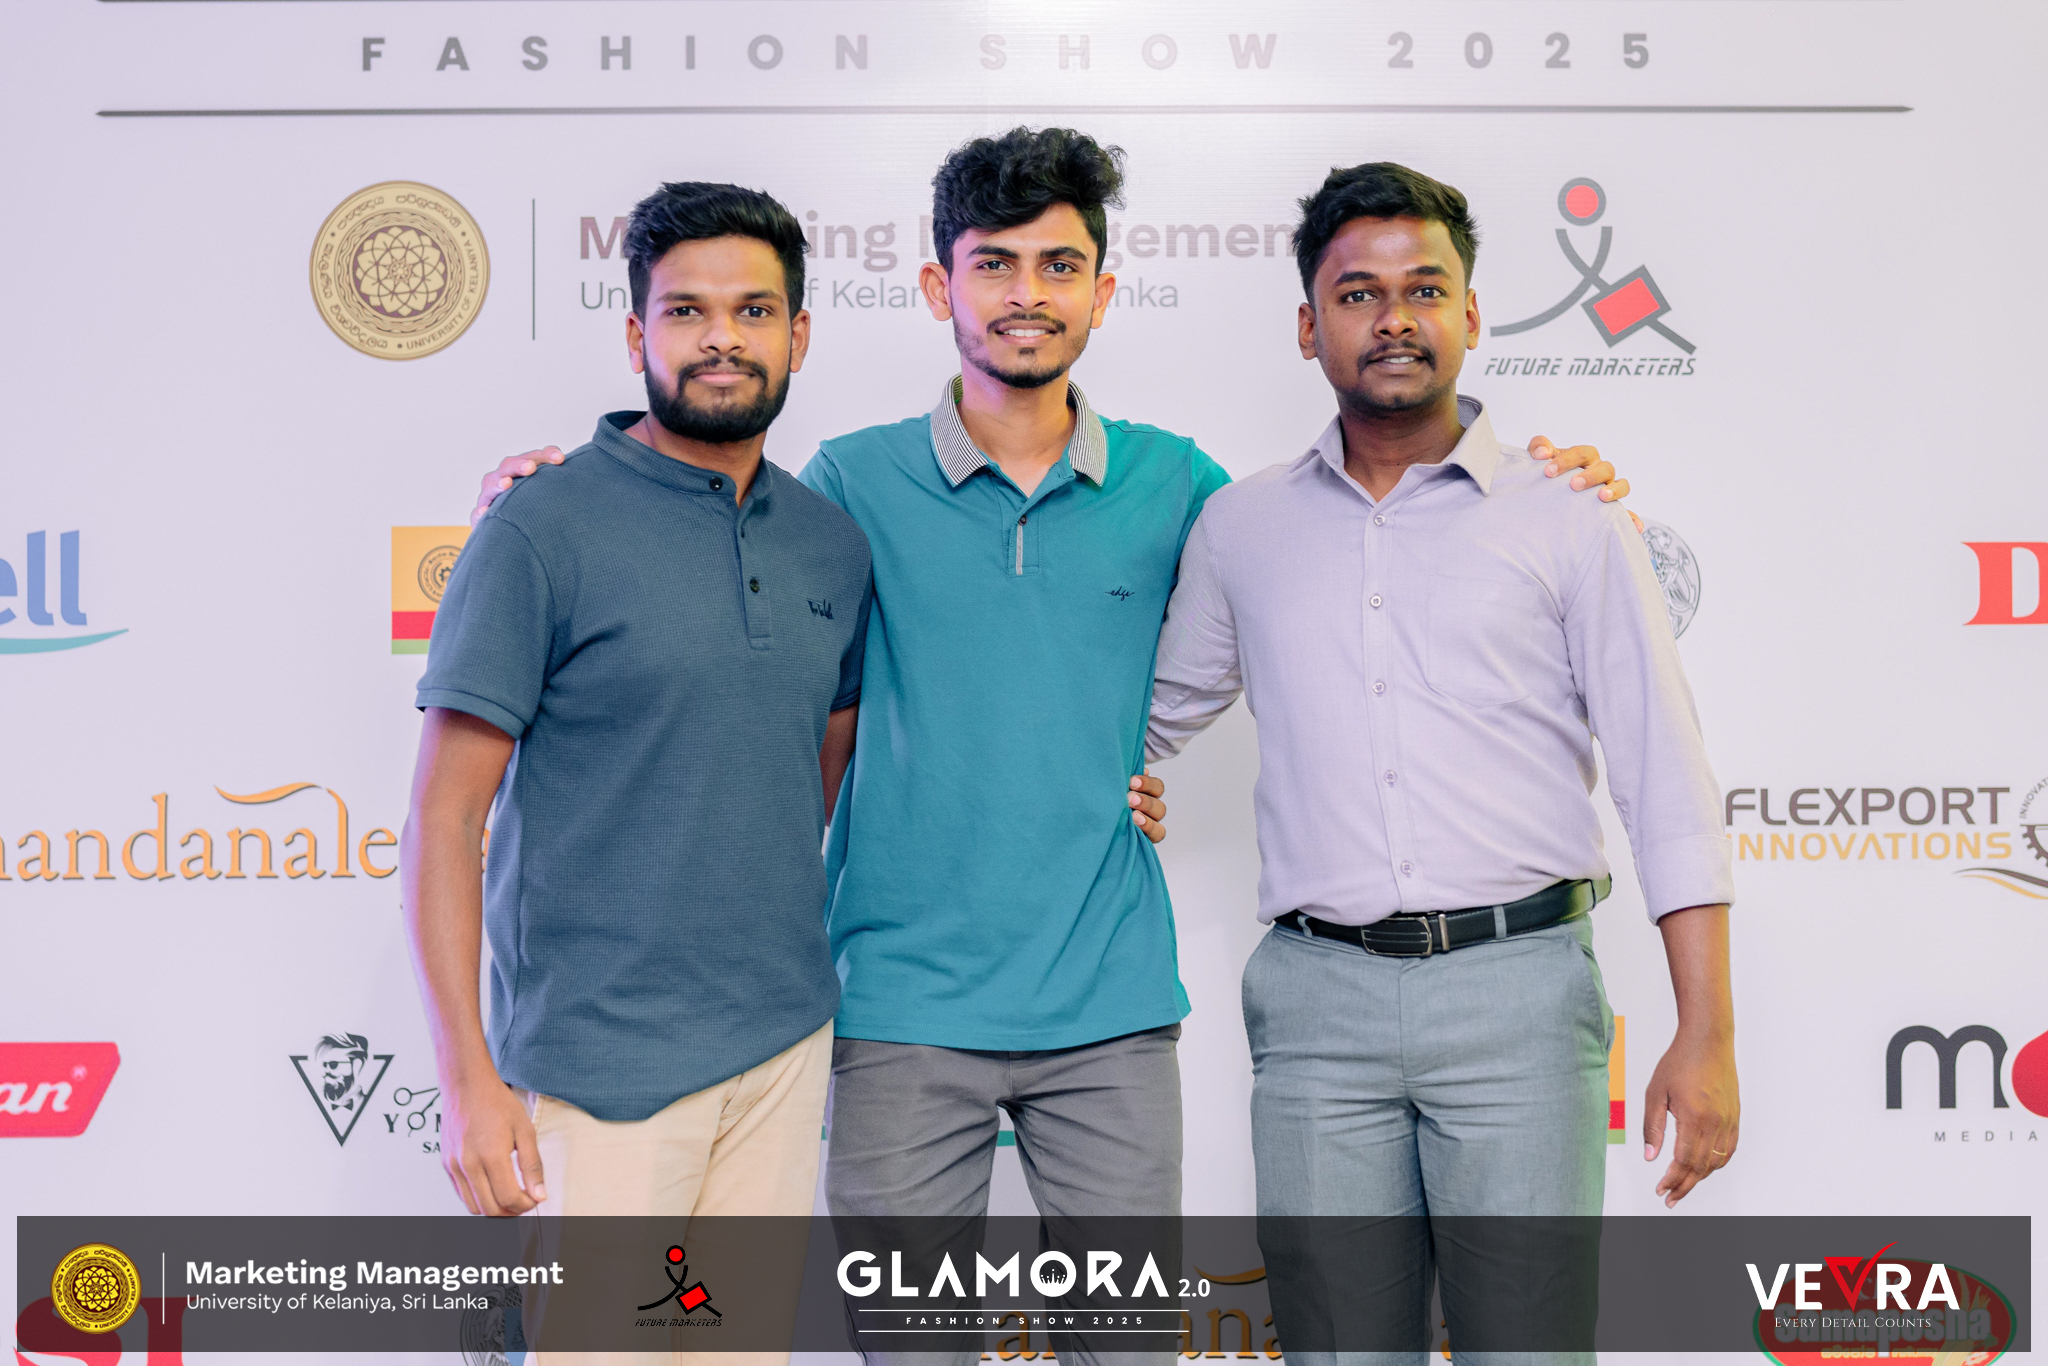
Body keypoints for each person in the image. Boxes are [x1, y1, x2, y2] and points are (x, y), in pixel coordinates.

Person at [468, 133, 1628, 1366]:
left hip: (1109, 1019)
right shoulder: (849, 483)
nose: (1026, 293)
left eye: (1058, 265)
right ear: (939, 288)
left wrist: (1537, 480)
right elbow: (713, 540)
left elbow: (1337, 552)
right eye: (994, 264)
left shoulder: (1181, 487)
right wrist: (554, 489)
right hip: (898, 1012)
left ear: (1102, 291)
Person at [1145, 162, 1738, 1365]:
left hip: (1517, 997)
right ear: (1308, 325)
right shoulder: (1240, 526)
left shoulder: (1569, 513)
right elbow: (1144, 720)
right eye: (1356, 293)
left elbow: (1663, 778)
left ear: (1469, 314)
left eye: (1423, 289)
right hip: (1315, 1007)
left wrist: (1706, 1032)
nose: (1393, 318)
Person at [399, 181, 872, 1252]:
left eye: (754, 311)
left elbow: (812, 781)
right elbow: (444, 819)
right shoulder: (540, 525)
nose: (721, 339)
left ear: (797, 336)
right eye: (685, 310)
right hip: (596, 1070)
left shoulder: (831, 545)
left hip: (783, 1047)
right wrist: (466, 1077)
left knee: (741, 1336)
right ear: (635, 335)